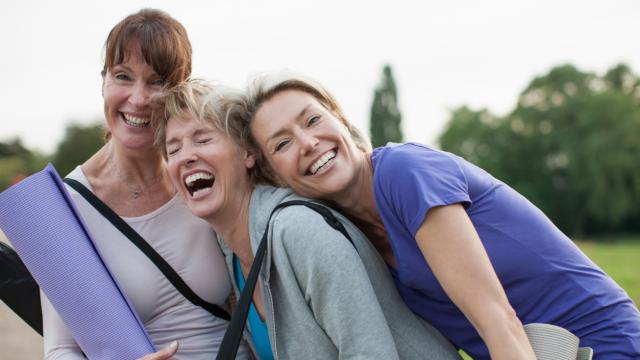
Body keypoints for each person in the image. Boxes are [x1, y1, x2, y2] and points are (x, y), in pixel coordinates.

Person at [234, 71, 640, 359]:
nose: (307, 142)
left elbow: (498, 319)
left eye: (313, 119)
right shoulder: (344, 233)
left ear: (340, 119)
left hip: (603, 343)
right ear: (272, 172)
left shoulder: (405, 173)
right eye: (283, 143)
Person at [151, 79, 462, 359]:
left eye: (202, 139)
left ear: (248, 153)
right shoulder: (231, 253)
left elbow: (369, 353)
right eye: (173, 149)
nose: (186, 156)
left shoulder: (298, 231)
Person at [41, 9, 249, 359]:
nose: (138, 99)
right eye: (123, 76)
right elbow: (60, 348)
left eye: (156, 82)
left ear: (179, 90)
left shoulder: (203, 179)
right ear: (103, 81)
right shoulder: (64, 208)